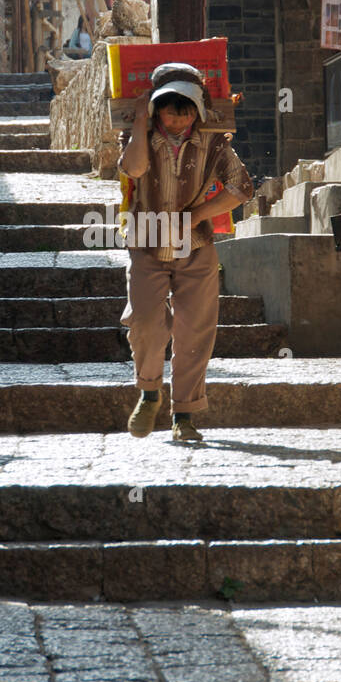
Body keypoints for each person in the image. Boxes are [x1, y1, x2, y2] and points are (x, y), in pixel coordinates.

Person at [118, 61, 254, 443]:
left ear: (197, 111)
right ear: (156, 109)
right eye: (168, 112)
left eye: (185, 113)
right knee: (146, 322)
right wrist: (140, 125)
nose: (177, 122)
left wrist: (196, 215)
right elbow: (134, 169)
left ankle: (184, 415)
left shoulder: (213, 144)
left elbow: (241, 187)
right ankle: (149, 393)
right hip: (147, 243)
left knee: (194, 331)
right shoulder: (139, 137)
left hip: (195, 249)